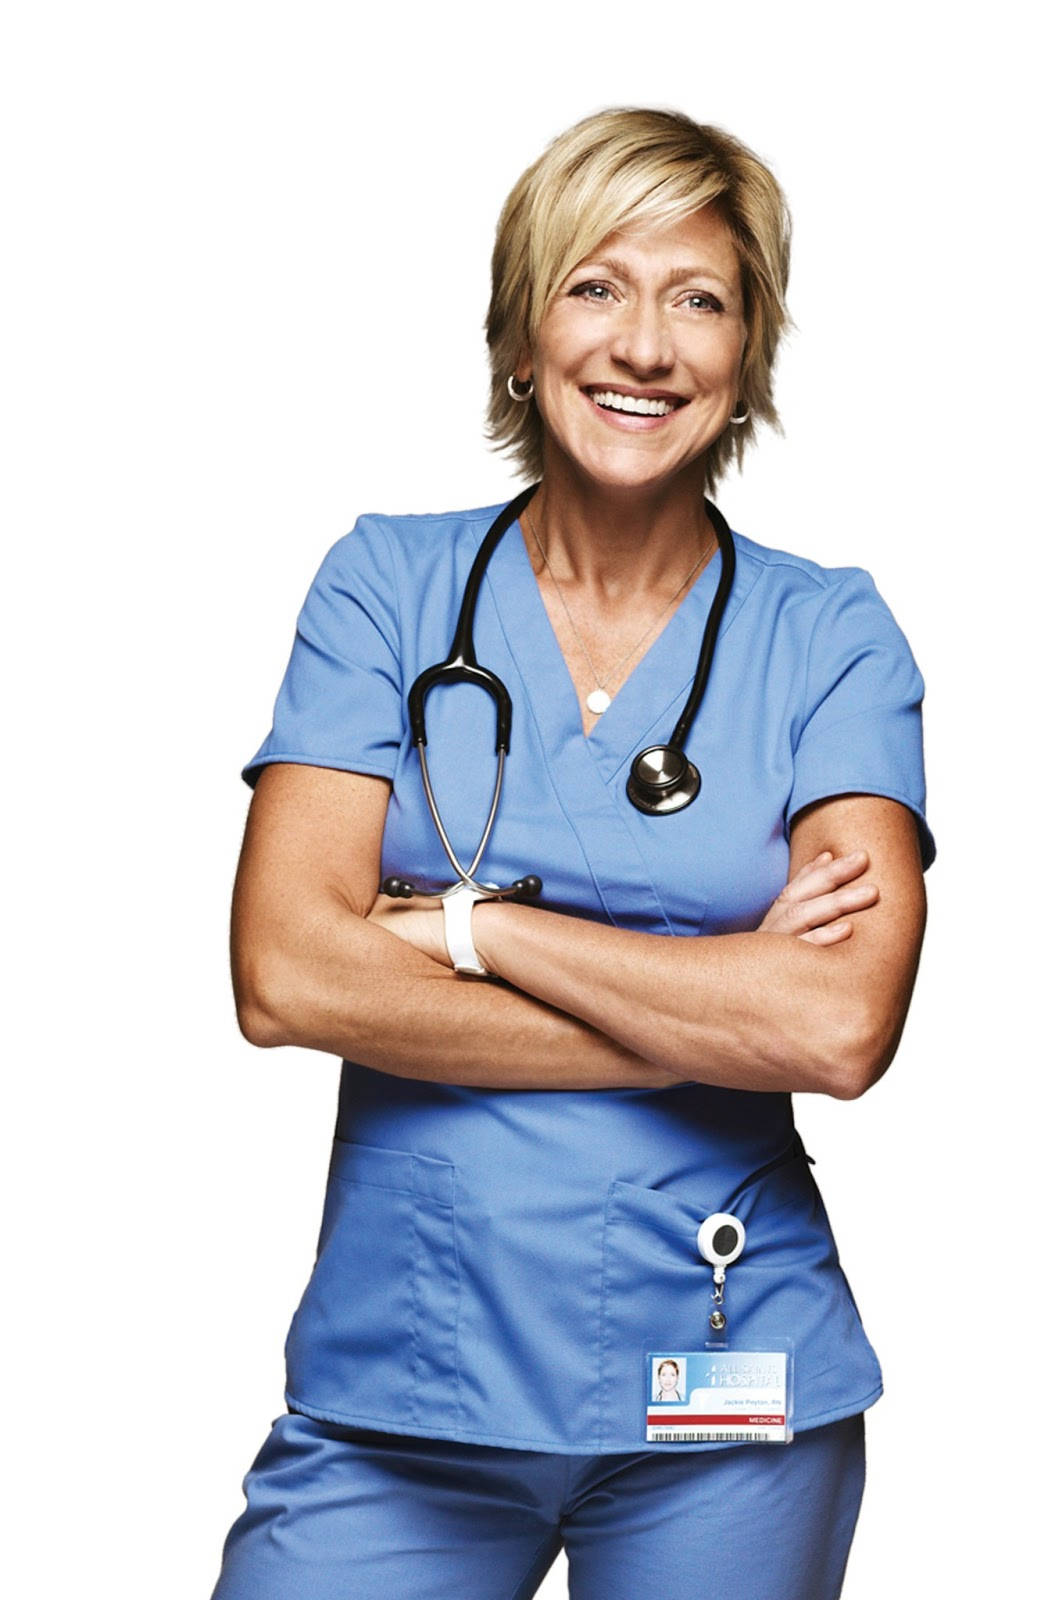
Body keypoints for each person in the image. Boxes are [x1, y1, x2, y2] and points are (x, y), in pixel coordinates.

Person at [210, 107, 934, 1600]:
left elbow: (838, 1024)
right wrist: (709, 1008)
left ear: (749, 354)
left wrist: (464, 929)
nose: (646, 346)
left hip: (726, 1383)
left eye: (701, 298)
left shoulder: (827, 635)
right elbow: (286, 973)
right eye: (596, 286)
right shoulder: (385, 589)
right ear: (521, 334)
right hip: (406, 1381)